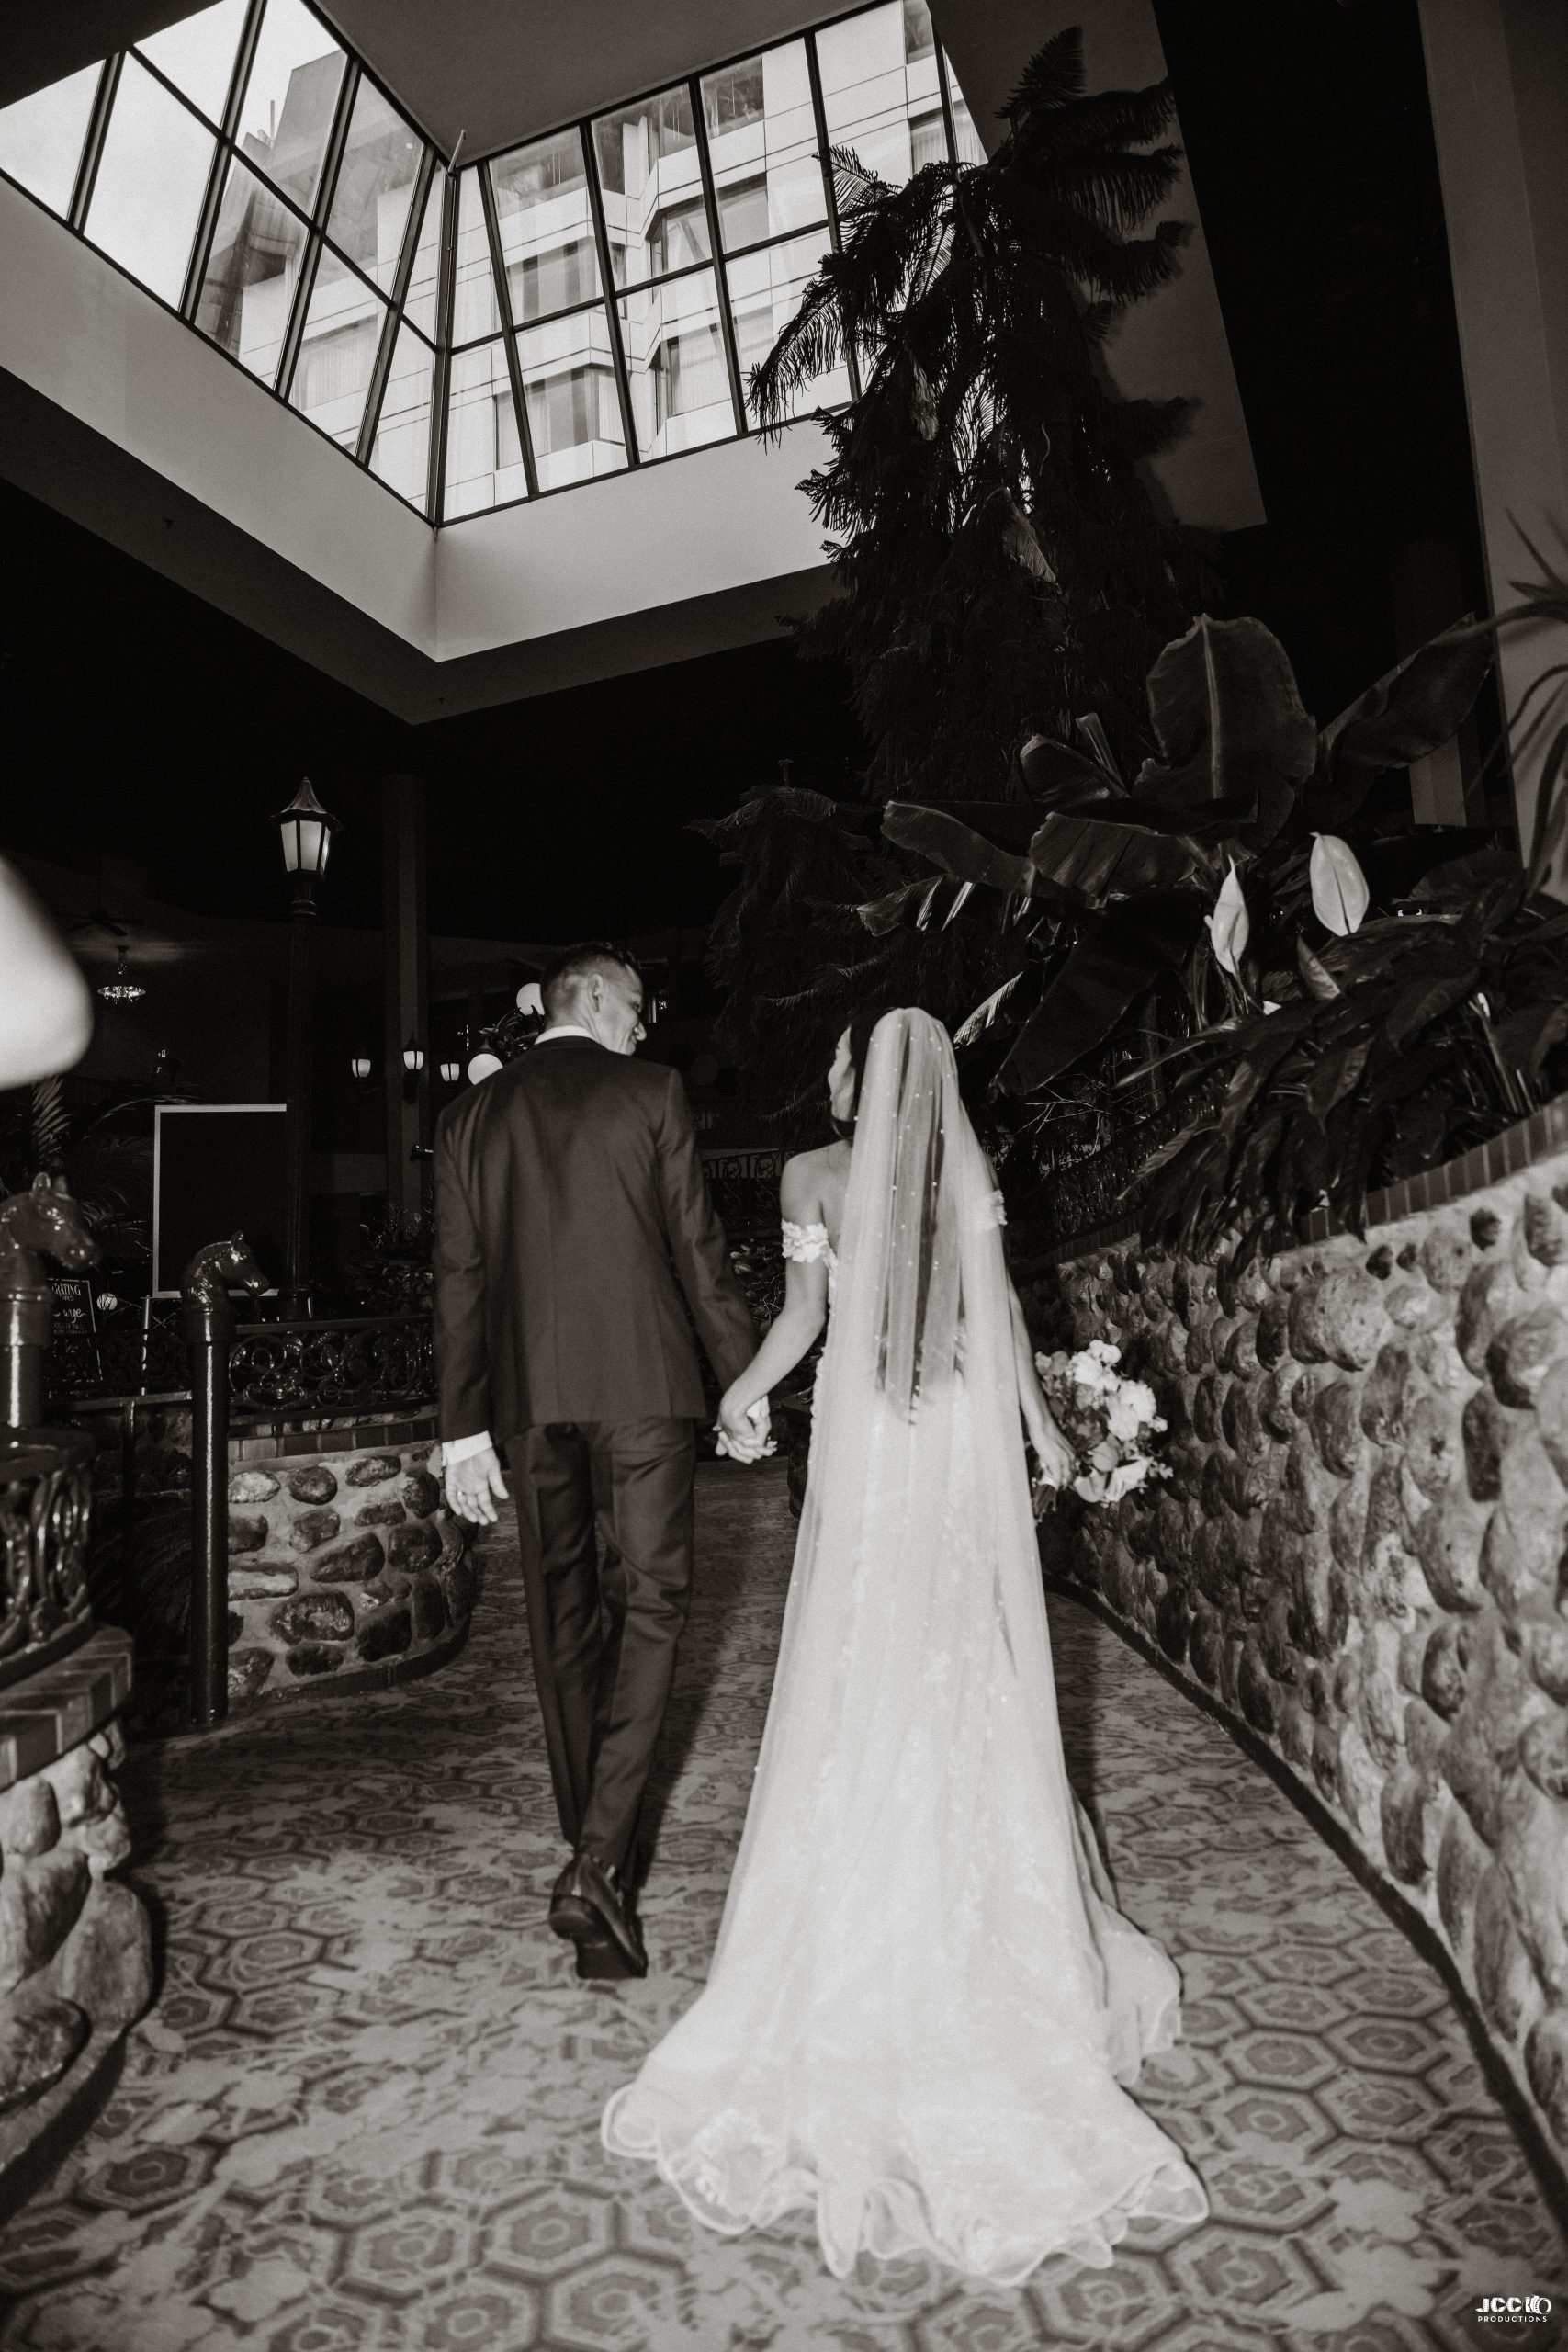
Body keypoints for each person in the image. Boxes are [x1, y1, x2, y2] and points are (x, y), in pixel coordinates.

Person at [602, 1006, 1209, 2282]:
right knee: (960, 1649)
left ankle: (859, 1887)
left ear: (858, 1079)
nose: (836, 1075)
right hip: (955, 1435)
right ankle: (975, 1890)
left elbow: (803, 1319)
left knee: (858, 1645)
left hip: (871, 1441)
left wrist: (741, 1389)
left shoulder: (810, 1175)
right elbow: (998, 1316)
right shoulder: (962, 1171)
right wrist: (1041, 1433)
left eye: (840, 1060)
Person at [433, 942, 761, 1983]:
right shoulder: (651, 1091)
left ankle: (598, 1862)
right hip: (643, 1389)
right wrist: (743, 1381)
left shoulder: (469, 1116)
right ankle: (598, 1860)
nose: (642, 1027)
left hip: (531, 1405)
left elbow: (458, 1277)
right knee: (655, 1605)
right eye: (637, 1007)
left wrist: (462, 1429)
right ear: (596, 996)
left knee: (561, 1618)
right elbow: (697, 1249)